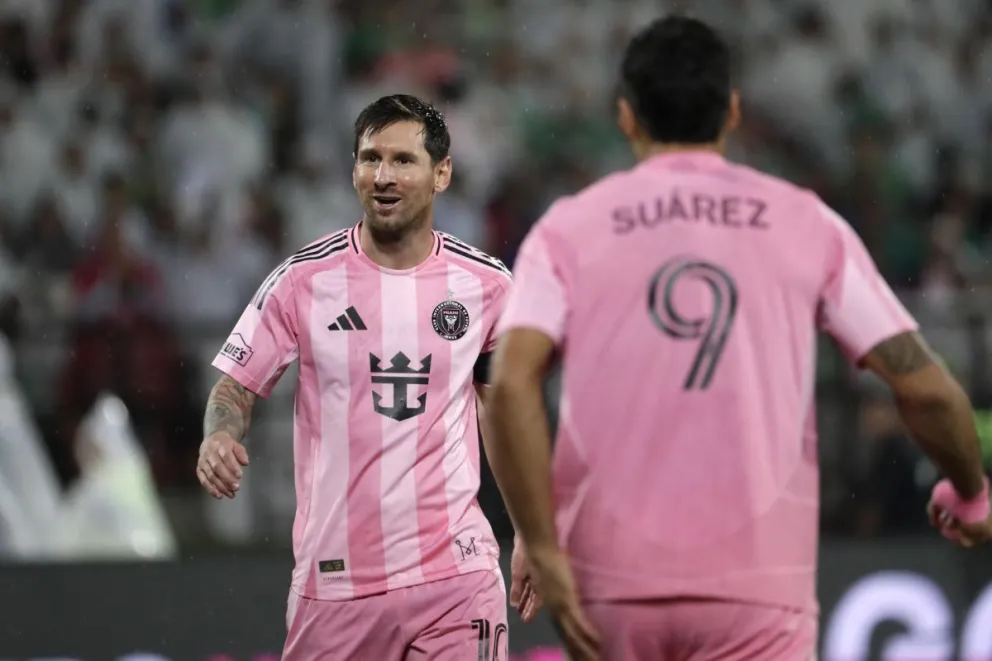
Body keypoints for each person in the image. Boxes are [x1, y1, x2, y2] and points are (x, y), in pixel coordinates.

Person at [483, 15, 992, 661]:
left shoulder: (567, 229)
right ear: (731, 111)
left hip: (611, 582)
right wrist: (970, 492)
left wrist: (544, 541)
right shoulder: (806, 222)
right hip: (757, 587)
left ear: (627, 116)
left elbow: (511, 386)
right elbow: (925, 388)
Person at [197, 94, 537, 660]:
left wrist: (531, 529)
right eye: (370, 158)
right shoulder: (302, 281)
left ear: (441, 173)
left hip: (457, 576)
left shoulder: (488, 286)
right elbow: (234, 385)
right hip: (336, 584)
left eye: (403, 160)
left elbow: (500, 411)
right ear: (353, 169)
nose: (383, 175)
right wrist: (219, 434)